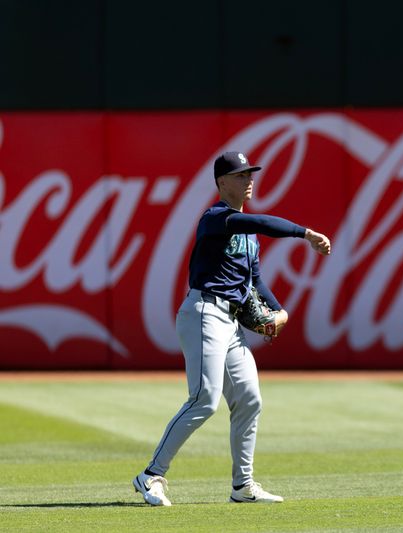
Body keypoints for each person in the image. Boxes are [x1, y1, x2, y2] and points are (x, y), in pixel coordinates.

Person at [133, 151, 331, 506]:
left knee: (249, 399)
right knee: (204, 401)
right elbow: (261, 223)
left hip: (230, 323)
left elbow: (255, 281)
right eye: (240, 175)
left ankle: (243, 485)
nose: (248, 179)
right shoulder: (216, 218)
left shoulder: (248, 238)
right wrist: (305, 233)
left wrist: (279, 311)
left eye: (250, 174)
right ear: (222, 183)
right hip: (204, 313)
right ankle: (151, 475)